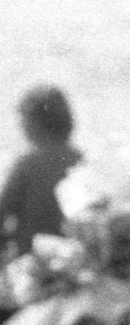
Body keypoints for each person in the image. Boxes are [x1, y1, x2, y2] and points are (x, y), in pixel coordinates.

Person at [1, 85, 82, 260]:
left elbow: (3, 211)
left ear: (34, 123)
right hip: (72, 257)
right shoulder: (81, 160)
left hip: (33, 260)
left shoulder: (28, 165)